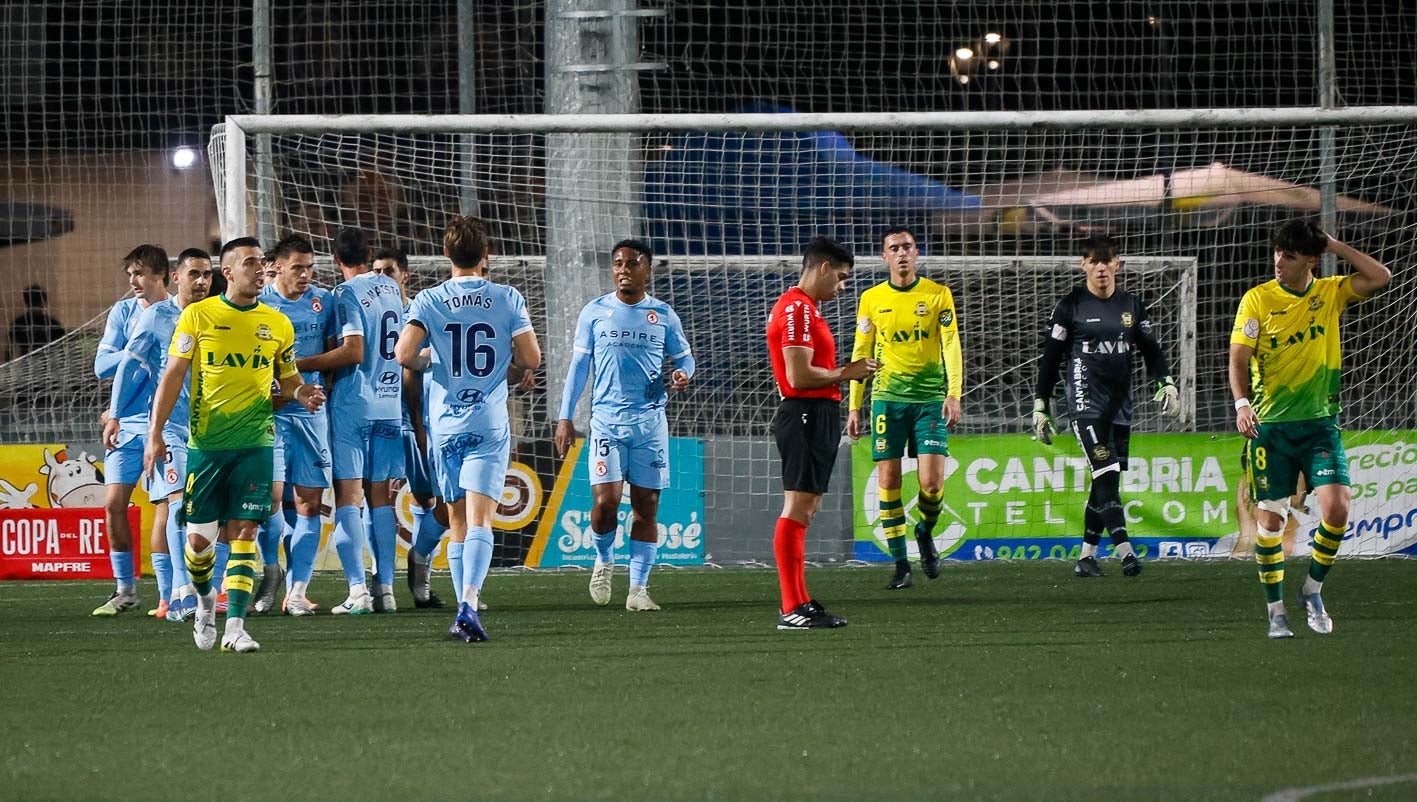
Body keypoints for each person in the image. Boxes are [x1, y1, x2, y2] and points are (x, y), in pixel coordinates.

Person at [143, 237, 326, 653]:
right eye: (250, 263)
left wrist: (301, 394)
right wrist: (154, 434)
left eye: (262, 262)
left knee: (245, 532)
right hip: (206, 447)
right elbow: (172, 377)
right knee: (199, 545)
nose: (260, 269)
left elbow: (289, 377)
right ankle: (205, 601)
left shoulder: (277, 323)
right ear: (228, 272)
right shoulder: (199, 317)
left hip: (258, 444)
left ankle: (236, 628)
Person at [1228, 220, 1390, 639]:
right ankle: (1276, 611)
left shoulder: (1330, 293)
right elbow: (1238, 358)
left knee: (1337, 508)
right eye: (1277, 253)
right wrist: (1242, 403)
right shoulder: (1257, 300)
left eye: (1290, 255)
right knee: (1270, 523)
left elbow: (1381, 276)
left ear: (1312, 260)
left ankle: (1312, 591)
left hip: (1320, 425)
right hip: (1271, 430)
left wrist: (1335, 243)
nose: (1279, 261)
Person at [396, 215, 541, 642]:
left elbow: (405, 355)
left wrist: (432, 360)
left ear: (446, 254)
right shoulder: (507, 296)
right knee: (481, 522)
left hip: (445, 424)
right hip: (487, 422)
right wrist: (509, 369)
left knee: (457, 521)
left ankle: (464, 610)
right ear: (486, 255)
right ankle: (468, 606)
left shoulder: (429, 298)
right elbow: (531, 359)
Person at [553, 239, 695, 612]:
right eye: (618, 263)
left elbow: (686, 358)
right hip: (607, 423)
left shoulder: (663, 315)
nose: (623, 270)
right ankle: (603, 561)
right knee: (606, 504)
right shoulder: (595, 312)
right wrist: (565, 416)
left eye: (632, 263)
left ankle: (638, 590)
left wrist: (682, 374)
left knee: (647, 507)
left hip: (650, 424)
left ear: (647, 270)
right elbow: (578, 369)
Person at [1031, 234, 1179, 578]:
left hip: (1120, 405)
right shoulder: (1070, 306)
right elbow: (1050, 360)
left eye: (1106, 260)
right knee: (1107, 471)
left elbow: (1151, 349)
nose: (1100, 268)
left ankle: (1086, 557)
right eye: (1093, 261)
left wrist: (1165, 381)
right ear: (1084, 265)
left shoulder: (1132, 305)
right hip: (1084, 403)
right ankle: (1126, 551)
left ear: (1117, 265)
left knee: (1103, 479)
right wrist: (1042, 404)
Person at [767, 237, 876, 629]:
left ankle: (798, 600)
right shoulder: (796, 307)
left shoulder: (808, 309)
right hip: (805, 414)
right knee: (797, 508)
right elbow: (797, 375)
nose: (843, 287)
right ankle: (790, 606)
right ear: (824, 268)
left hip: (817, 414)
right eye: (842, 278)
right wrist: (849, 371)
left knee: (806, 509)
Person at [846, 227, 962, 589]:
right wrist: (854, 405)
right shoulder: (871, 299)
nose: (901, 253)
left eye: (908, 247)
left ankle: (925, 532)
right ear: (885, 257)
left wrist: (954, 392)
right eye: (894, 248)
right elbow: (861, 352)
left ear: (917, 253)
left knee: (931, 483)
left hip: (929, 401)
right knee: (889, 481)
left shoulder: (938, 295)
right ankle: (900, 565)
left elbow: (951, 345)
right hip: (887, 400)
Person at [103, 248, 213, 623]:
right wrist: (117, 414)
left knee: (191, 508)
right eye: (194, 274)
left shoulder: (213, 317)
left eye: (206, 275)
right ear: (177, 277)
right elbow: (126, 367)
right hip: (165, 428)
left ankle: (184, 593)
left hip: (205, 428)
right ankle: (177, 593)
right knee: (176, 504)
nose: (201, 282)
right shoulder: (154, 317)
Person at [300, 228, 405, 614]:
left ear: (333, 258)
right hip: (390, 405)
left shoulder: (344, 294)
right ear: (371, 252)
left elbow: (354, 350)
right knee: (381, 500)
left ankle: (359, 591)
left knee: (349, 498)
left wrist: (300, 364)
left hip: (353, 406)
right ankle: (387, 591)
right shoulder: (391, 287)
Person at [91, 244, 173, 616]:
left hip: (168, 423)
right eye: (130, 275)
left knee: (164, 506)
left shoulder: (177, 312)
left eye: (139, 274)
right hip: (126, 422)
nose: (133, 281)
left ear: (160, 275)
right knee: (113, 505)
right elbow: (102, 365)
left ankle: (168, 594)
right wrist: (140, 350)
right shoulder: (123, 312)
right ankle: (125, 590)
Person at [257, 234, 336, 616]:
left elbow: (341, 352)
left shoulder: (324, 302)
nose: (306, 275)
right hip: (267, 414)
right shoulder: (259, 304)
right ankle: (271, 569)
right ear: (276, 267)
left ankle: (298, 591)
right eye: (297, 268)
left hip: (310, 414)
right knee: (269, 499)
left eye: (310, 268)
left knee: (310, 502)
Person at [375, 246, 449, 609]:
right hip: (376, 417)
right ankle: (379, 585)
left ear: (405, 275)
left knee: (434, 500)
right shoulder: (366, 308)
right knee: (377, 500)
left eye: (388, 270)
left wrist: (420, 422)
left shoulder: (424, 310)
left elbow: (419, 368)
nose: (381, 277)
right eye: (376, 271)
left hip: (420, 419)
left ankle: (419, 569)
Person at [6, 284, 65, 361]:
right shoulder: (53, 323)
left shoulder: (17, 323)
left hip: (26, 367)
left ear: (26, 301)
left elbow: (9, 352)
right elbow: (62, 350)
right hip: (47, 366)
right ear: (44, 301)